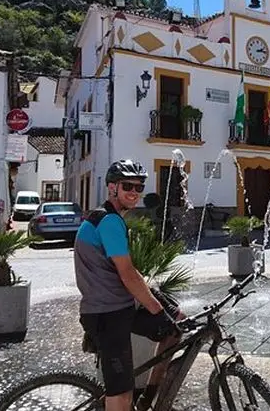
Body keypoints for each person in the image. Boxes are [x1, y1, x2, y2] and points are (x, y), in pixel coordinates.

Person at [74, 159, 184, 411]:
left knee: (176, 325)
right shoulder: (110, 222)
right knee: (122, 393)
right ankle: (132, 399)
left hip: (119, 306)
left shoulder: (105, 217)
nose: (134, 192)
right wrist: (157, 310)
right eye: (127, 186)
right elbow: (127, 274)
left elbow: (128, 271)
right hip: (107, 314)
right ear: (112, 187)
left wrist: (163, 308)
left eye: (138, 187)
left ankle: (149, 399)